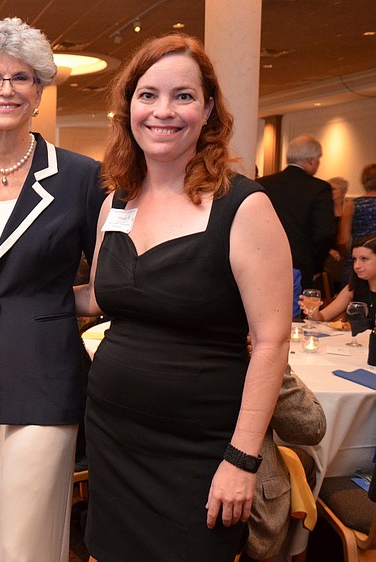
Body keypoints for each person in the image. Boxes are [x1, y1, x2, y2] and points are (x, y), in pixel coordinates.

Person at [75, 34, 290, 560]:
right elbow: (100, 297)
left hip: (201, 446)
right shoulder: (116, 202)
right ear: (127, 106)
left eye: (183, 96)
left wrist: (241, 460)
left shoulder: (243, 207)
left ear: (209, 108)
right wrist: (6, 298)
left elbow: (271, 340)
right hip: (113, 434)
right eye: (147, 95)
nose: (162, 112)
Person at [0, 18, 105, 561]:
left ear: (39, 90)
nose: (6, 89)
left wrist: (53, 307)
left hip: (44, 370)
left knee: (27, 535)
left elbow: (105, 287)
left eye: (21, 78)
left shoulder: (81, 176)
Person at [244, 365, 326, 561]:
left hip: (169, 487)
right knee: (307, 462)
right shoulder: (249, 352)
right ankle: (291, 551)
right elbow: (311, 427)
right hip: (242, 507)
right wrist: (280, 361)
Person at [257, 135, 335, 290]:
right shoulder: (319, 188)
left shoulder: (263, 183)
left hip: (263, 260)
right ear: (311, 160)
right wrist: (317, 266)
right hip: (299, 263)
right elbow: (324, 233)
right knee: (295, 311)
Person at [302, 235, 376, 328]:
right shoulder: (353, 288)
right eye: (354, 259)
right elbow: (322, 318)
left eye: (364, 259)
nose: (357, 265)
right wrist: (313, 311)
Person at [324, 176, 349, 294]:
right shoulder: (323, 209)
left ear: (343, 192)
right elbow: (319, 235)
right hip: (328, 252)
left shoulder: (349, 207)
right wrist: (329, 250)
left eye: (334, 189)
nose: (330, 192)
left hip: (347, 251)